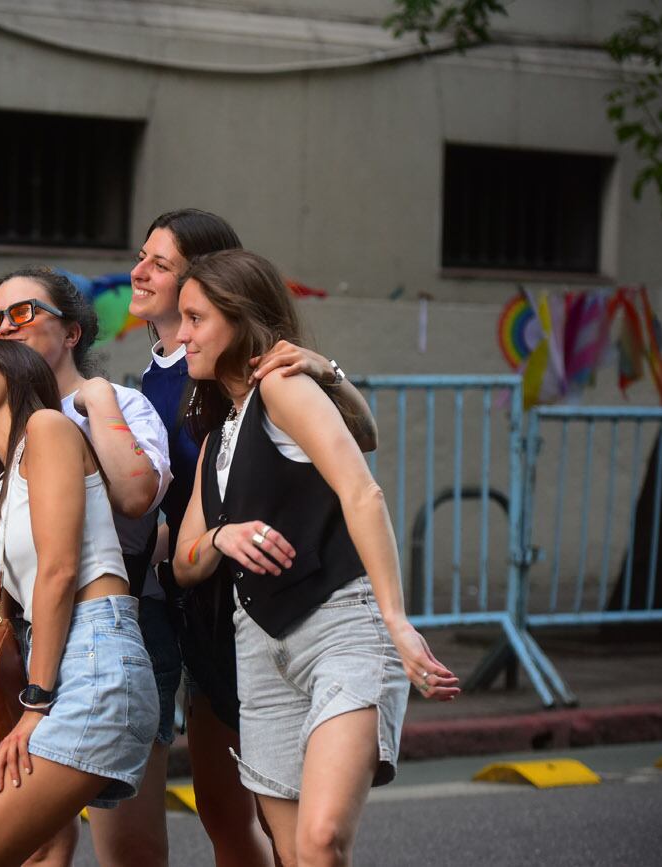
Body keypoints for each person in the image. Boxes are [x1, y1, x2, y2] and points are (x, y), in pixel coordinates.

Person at [172, 250, 459, 867]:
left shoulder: (282, 386)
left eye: (195, 318)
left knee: (322, 839)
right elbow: (183, 561)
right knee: (294, 853)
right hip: (259, 651)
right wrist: (220, 537)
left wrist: (397, 621)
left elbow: (363, 487)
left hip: (341, 628)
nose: (180, 335)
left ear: (238, 315)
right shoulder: (217, 438)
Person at [129, 208, 377, 865]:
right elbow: (180, 518)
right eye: (142, 255)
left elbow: (361, 450)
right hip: (200, 602)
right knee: (225, 807)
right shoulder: (156, 374)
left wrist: (327, 368)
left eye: (161, 261)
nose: (140, 270)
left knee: (285, 827)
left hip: (272, 605)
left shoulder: (265, 376)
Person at [0, 268, 176, 867]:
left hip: (115, 631)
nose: (6, 329)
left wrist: (97, 400)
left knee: (128, 848)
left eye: (24, 313)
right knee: (31, 842)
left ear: (71, 330)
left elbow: (139, 496)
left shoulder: (119, 404)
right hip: (28, 636)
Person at [0, 339, 158, 867]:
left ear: (14, 369)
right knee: (32, 855)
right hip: (47, 668)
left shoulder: (48, 427)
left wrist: (35, 705)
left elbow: (59, 571)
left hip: (95, 660)